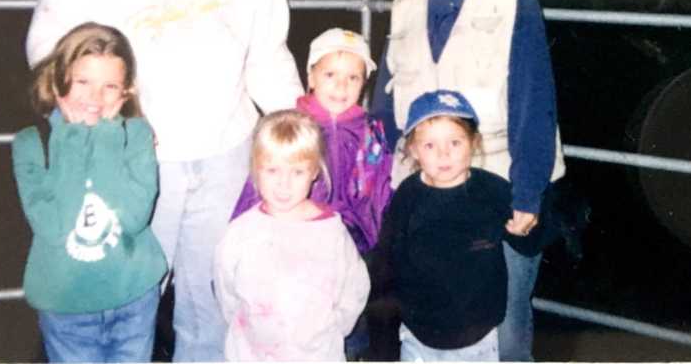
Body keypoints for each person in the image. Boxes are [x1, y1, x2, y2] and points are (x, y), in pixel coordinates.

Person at [25, 0, 303, 361]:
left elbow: (267, 54)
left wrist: (306, 133)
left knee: (211, 308)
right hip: (132, 162)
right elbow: (50, 43)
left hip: (226, 156)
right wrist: (102, 125)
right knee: (127, 308)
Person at [371, 0, 566, 361]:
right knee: (432, 308)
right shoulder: (404, 7)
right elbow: (386, 108)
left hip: (500, 179)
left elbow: (533, 96)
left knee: (504, 323)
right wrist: (378, 185)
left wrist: (527, 191)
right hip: (426, 186)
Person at [12, 22, 167, 362]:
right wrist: (73, 140)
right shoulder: (31, 144)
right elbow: (55, 225)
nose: (95, 98)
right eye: (83, 82)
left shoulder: (136, 136)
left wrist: (107, 137)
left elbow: (134, 217)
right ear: (58, 80)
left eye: (110, 86)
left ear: (126, 92)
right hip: (67, 308)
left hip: (134, 298)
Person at [375, 89, 545, 361]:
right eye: (430, 145)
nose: (443, 154)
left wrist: (523, 229)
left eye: (454, 142)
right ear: (414, 151)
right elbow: (388, 263)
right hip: (419, 336)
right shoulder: (407, 196)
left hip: (477, 338)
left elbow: (529, 244)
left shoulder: (493, 191)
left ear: (473, 142)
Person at [213, 109, 371, 361]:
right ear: (256, 168)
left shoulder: (331, 231)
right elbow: (226, 292)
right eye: (272, 170)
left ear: (314, 172)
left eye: (297, 172)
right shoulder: (241, 232)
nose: (283, 184)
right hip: (253, 354)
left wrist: (331, 329)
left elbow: (354, 287)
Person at [231, 27, 393, 252]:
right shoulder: (290, 129)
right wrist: (238, 239)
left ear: (364, 83)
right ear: (311, 77)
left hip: (351, 243)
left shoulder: (371, 134)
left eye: (353, 77)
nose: (341, 85)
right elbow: (256, 187)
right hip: (291, 236)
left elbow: (381, 194)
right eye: (330, 75)